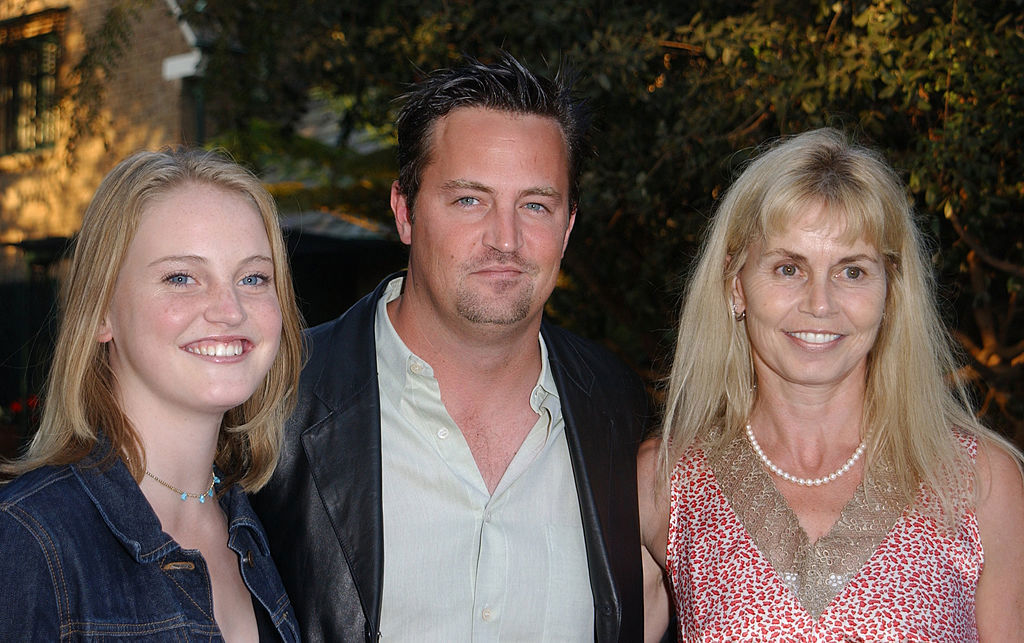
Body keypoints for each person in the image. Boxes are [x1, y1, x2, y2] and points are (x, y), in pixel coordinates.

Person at [251, 53, 651, 641]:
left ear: (567, 228)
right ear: (405, 212)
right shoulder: (276, 403)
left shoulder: (618, 410)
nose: (506, 239)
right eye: (469, 199)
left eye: (535, 205)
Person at [638, 127, 1024, 640]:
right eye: (787, 268)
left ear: (891, 291)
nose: (820, 304)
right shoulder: (664, 481)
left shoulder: (978, 482)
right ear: (736, 285)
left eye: (852, 272)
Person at [0, 148, 304, 641]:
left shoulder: (260, 527)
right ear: (101, 312)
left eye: (253, 277)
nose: (229, 310)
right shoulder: (29, 539)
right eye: (181, 277)